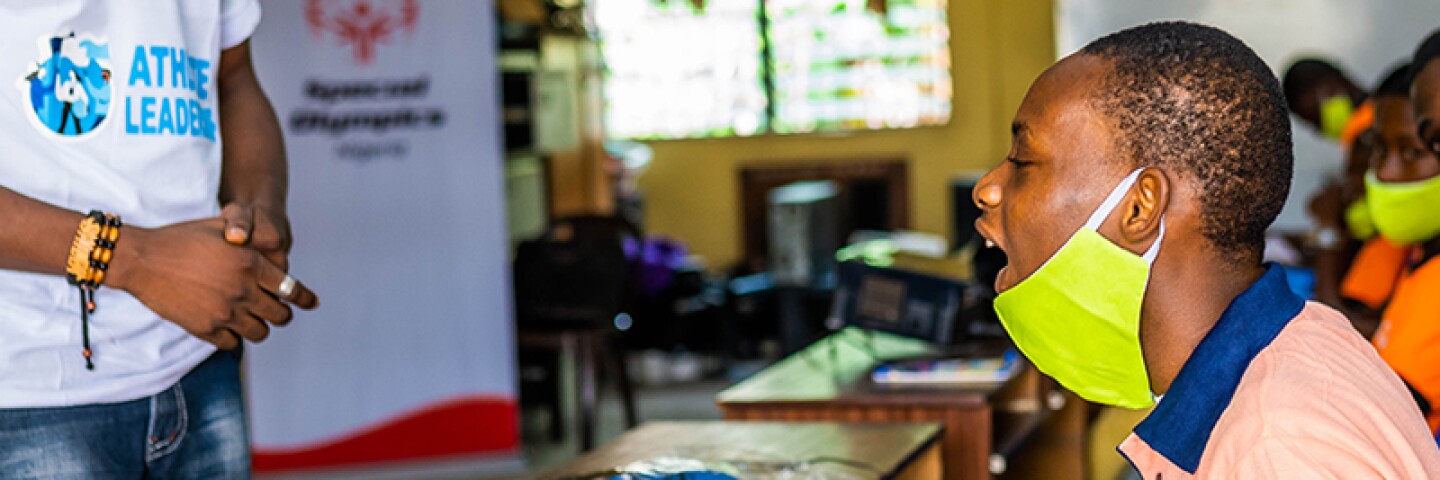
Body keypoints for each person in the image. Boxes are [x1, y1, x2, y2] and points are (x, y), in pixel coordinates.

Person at [972, 21, 1440, 477]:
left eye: (1022, 161)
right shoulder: (1298, 343)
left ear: (1139, 208)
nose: (987, 189)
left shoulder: (1274, 448)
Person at [0, 2, 318, 477]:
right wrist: (135, 260)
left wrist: (259, 208)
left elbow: (232, 79)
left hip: (200, 360)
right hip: (31, 389)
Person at [1353, 29, 1440, 438]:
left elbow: (1382, 413)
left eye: (1413, 152)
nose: (1385, 173)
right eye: (1378, 150)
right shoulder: (1419, 260)